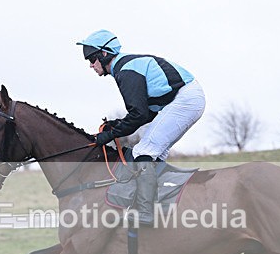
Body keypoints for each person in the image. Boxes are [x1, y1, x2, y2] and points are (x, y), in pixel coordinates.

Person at [76, 29, 205, 226]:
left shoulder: (125, 71)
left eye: (92, 59)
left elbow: (140, 115)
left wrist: (110, 134)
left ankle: (146, 213)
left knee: (145, 150)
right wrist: (118, 125)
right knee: (151, 151)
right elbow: (146, 112)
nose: (90, 65)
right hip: (182, 98)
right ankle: (162, 200)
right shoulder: (126, 67)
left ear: (104, 54)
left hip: (185, 99)